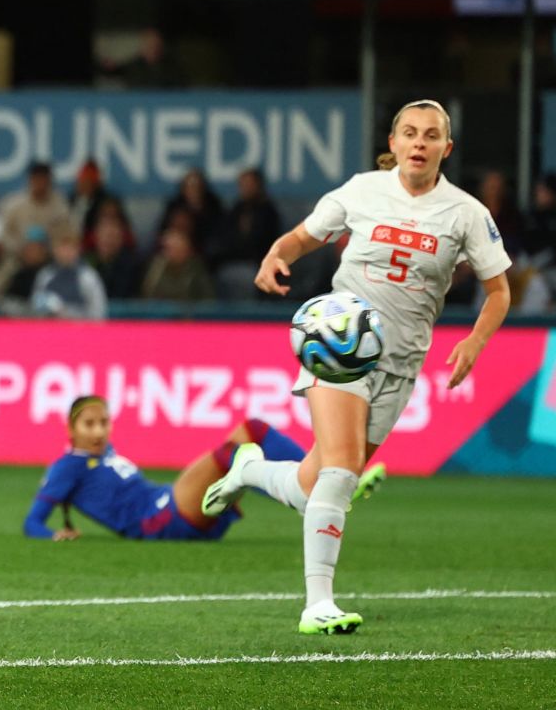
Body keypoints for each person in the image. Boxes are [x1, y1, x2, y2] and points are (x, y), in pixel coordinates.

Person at [205, 99, 512, 636]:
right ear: (392, 144)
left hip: (402, 363)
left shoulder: (466, 213)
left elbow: (499, 291)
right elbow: (302, 237)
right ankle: (317, 604)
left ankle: (249, 469)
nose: (419, 143)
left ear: (447, 148)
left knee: (315, 486)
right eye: (409, 133)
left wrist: (475, 341)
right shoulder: (361, 190)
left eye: (431, 135)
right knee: (342, 470)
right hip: (341, 340)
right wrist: (277, 255)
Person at [25, 396, 383, 542]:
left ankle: (318, 481)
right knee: (246, 438)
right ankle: (322, 482)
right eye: (89, 424)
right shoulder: (66, 467)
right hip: (157, 519)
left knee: (247, 441)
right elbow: (32, 523)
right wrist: (55, 535)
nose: (99, 431)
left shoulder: (103, 454)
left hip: (167, 503)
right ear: (70, 429)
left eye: (104, 422)